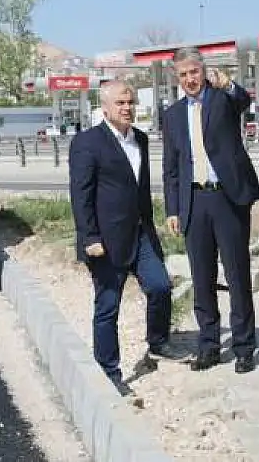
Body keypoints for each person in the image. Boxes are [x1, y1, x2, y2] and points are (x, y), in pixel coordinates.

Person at [68, 81, 190, 396]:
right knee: (108, 305)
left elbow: (140, 188)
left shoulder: (141, 140)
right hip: (105, 241)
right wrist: (89, 237)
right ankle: (108, 371)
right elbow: (80, 195)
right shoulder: (87, 143)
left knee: (160, 286)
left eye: (131, 102)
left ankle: (158, 342)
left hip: (141, 233)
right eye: (121, 103)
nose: (127, 108)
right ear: (104, 107)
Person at [162, 47, 259, 374]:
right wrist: (173, 208)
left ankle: (245, 346)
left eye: (194, 72)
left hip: (227, 198)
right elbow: (171, 168)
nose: (190, 79)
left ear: (203, 70)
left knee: (236, 274)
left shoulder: (222, 98)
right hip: (194, 202)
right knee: (202, 278)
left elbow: (243, 100)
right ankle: (209, 345)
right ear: (176, 78)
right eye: (183, 74)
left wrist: (229, 84)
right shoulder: (173, 114)